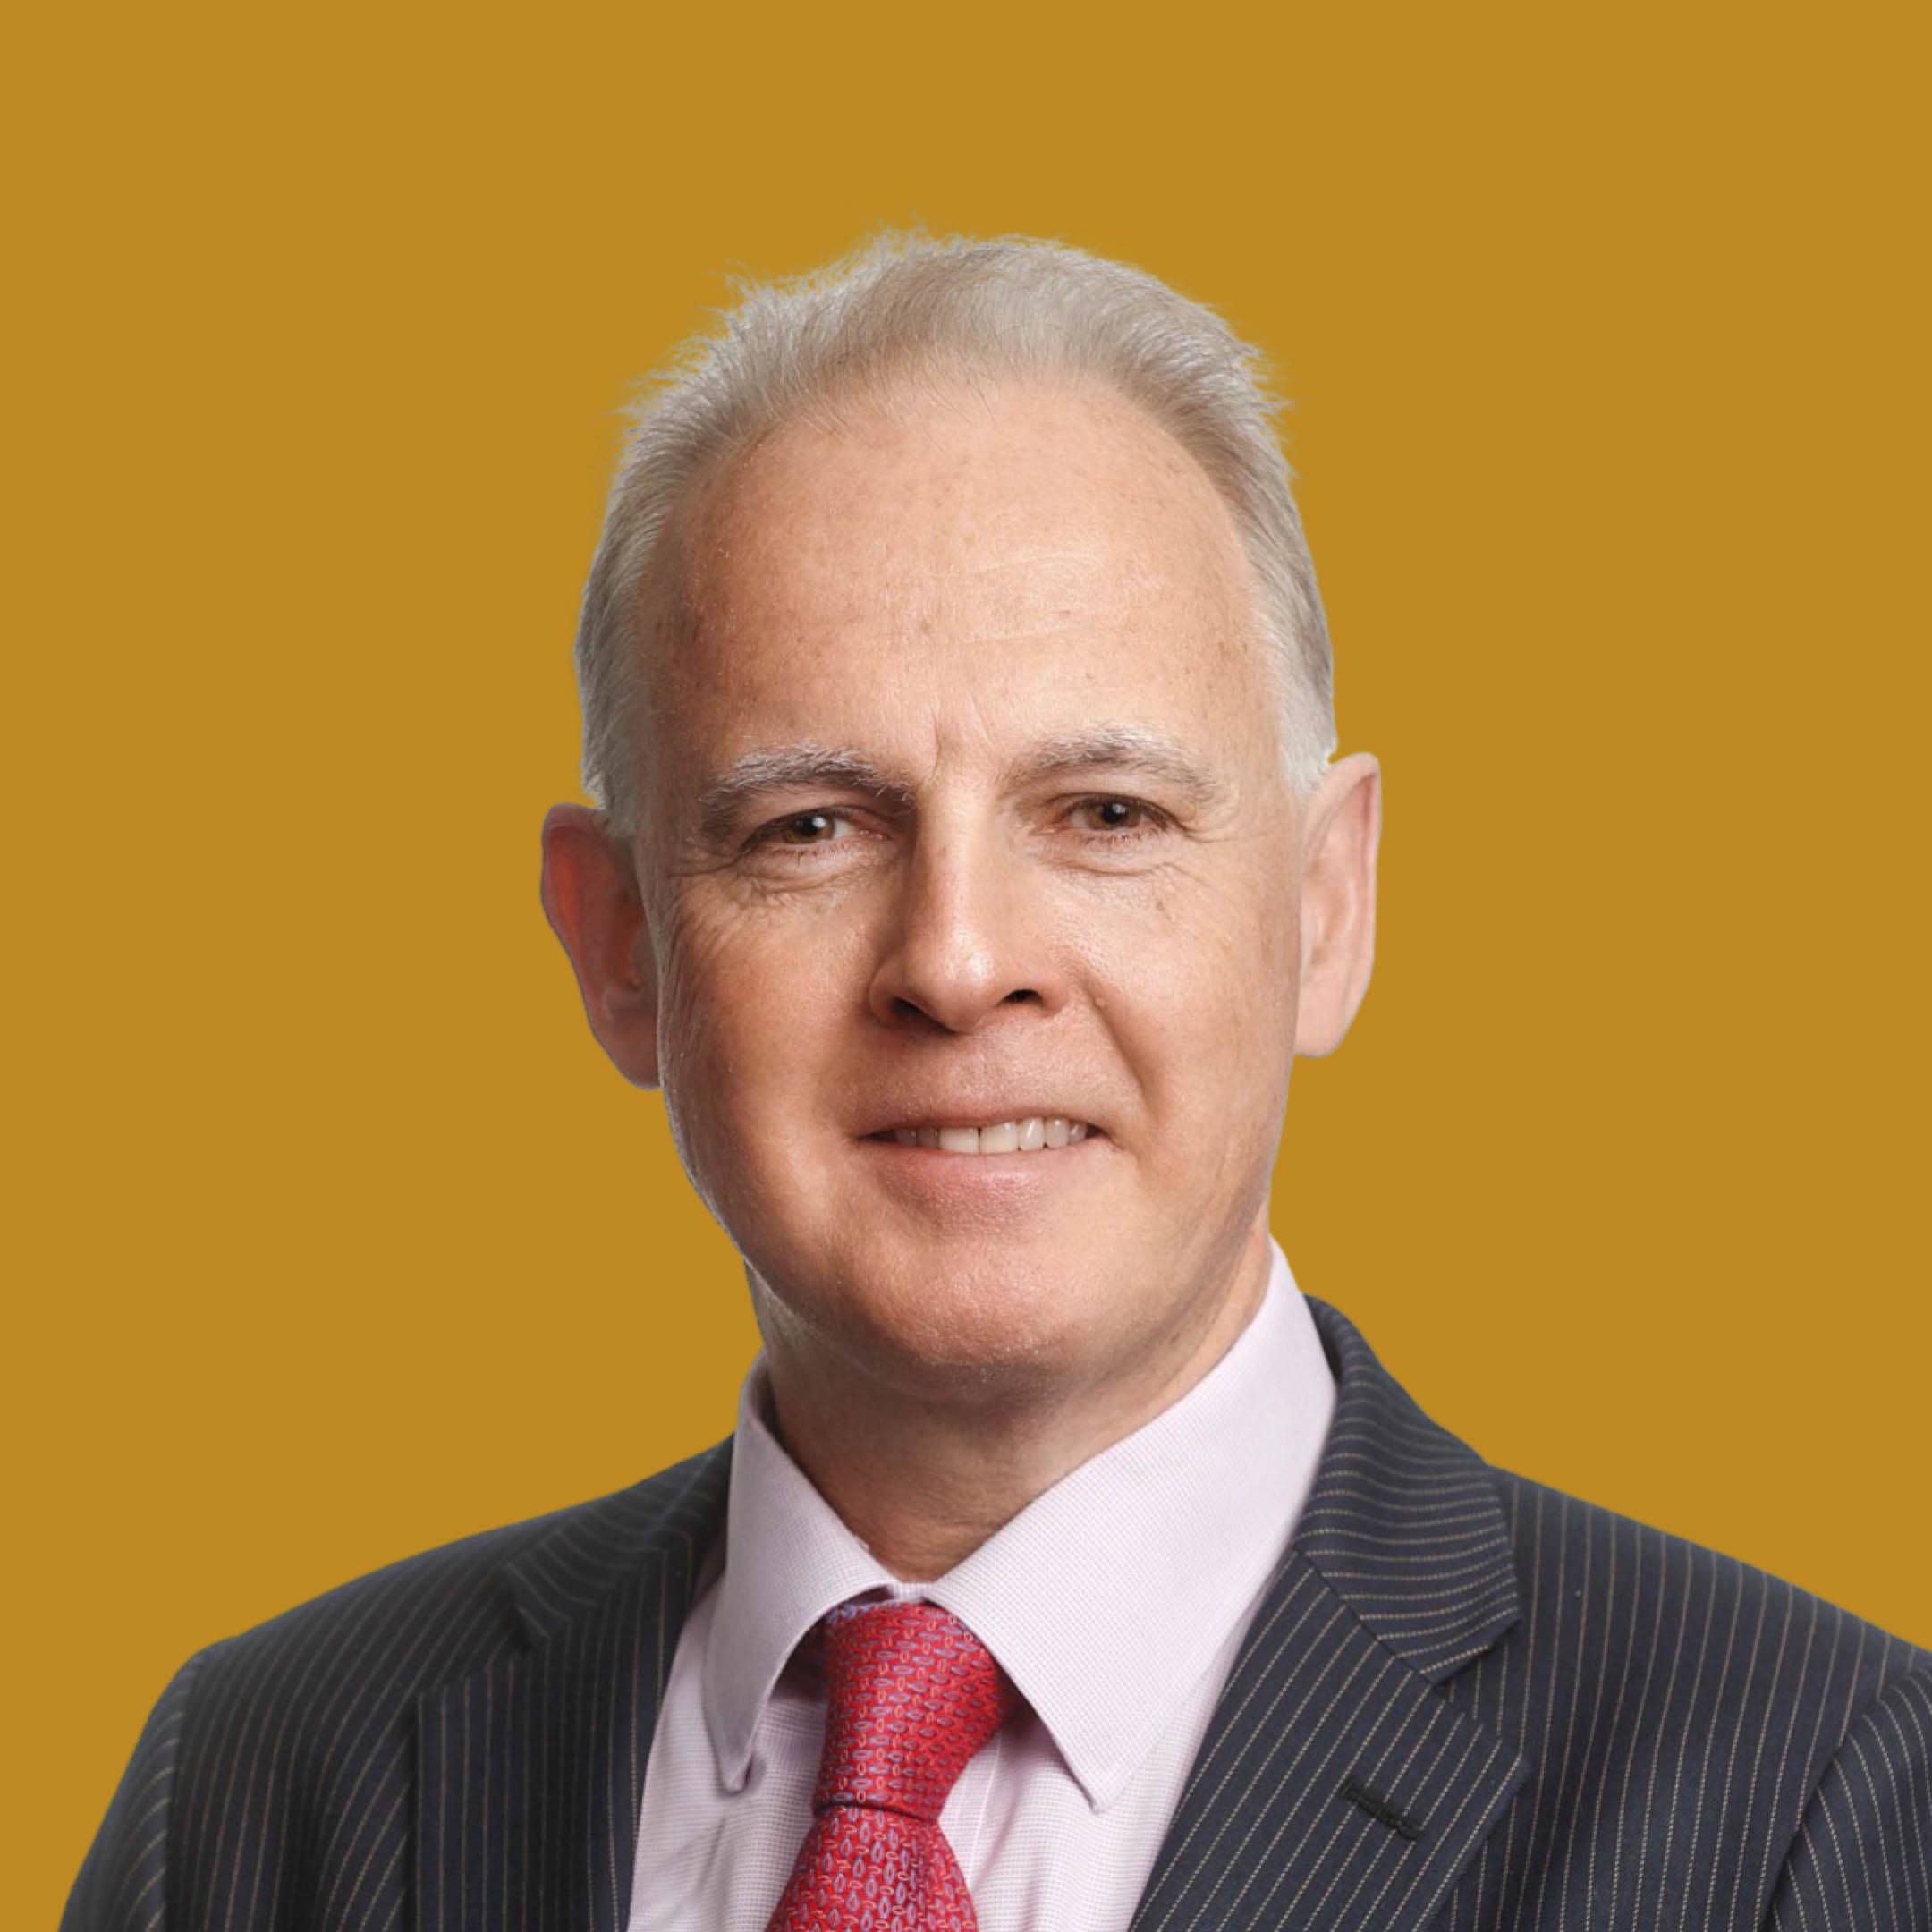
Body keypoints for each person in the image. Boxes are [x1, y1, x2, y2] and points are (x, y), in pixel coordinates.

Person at [65, 231, 1928, 1932]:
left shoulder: (1819, 1801)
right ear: (619, 945)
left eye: (1106, 815)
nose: (958, 962)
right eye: (811, 827)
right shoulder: (258, 1787)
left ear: (1324, 906)